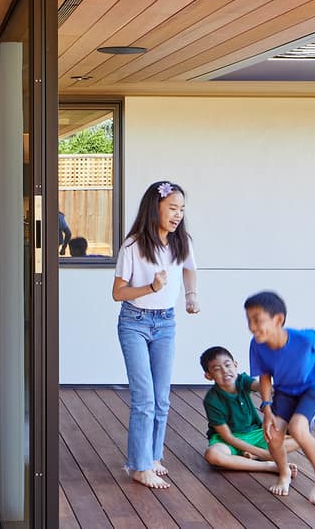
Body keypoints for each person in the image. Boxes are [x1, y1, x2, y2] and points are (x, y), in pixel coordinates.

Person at [111, 180, 199, 489]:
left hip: (166, 323)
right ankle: (138, 466)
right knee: (144, 398)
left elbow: (189, 269)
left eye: (181, 210)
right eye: (172, 208)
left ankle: (153, 456)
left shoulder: (181, 241)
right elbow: (118, 293)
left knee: (162, 398)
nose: (177, 215)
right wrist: (151, 287)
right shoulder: (133, 245)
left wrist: (190, 296)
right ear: (155, 208)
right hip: (134, 322)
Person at [244, 291, 315, 503]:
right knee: (273, 436)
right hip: (286, 391)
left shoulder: (303, 338)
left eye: (257, 320)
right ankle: (284, 474)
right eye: (249, 320)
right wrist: (266, 408)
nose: (253, 326)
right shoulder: (257, 345)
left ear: (278, 319)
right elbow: (265, 376)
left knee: (299, 428)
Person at [200, 346, 299, 475]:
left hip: (254, 434)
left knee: (300, 436)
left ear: (235, 365)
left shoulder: (242, 380)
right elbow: (228, 437)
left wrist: (284, 389)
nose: (225, 371)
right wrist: (265, 455)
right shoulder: (211, 400)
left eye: (227, 365)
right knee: (212, 455)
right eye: (217, 369)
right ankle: (269, 466)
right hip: (229, 440)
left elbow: (260, 386)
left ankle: (252, 457)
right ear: (208, 376)